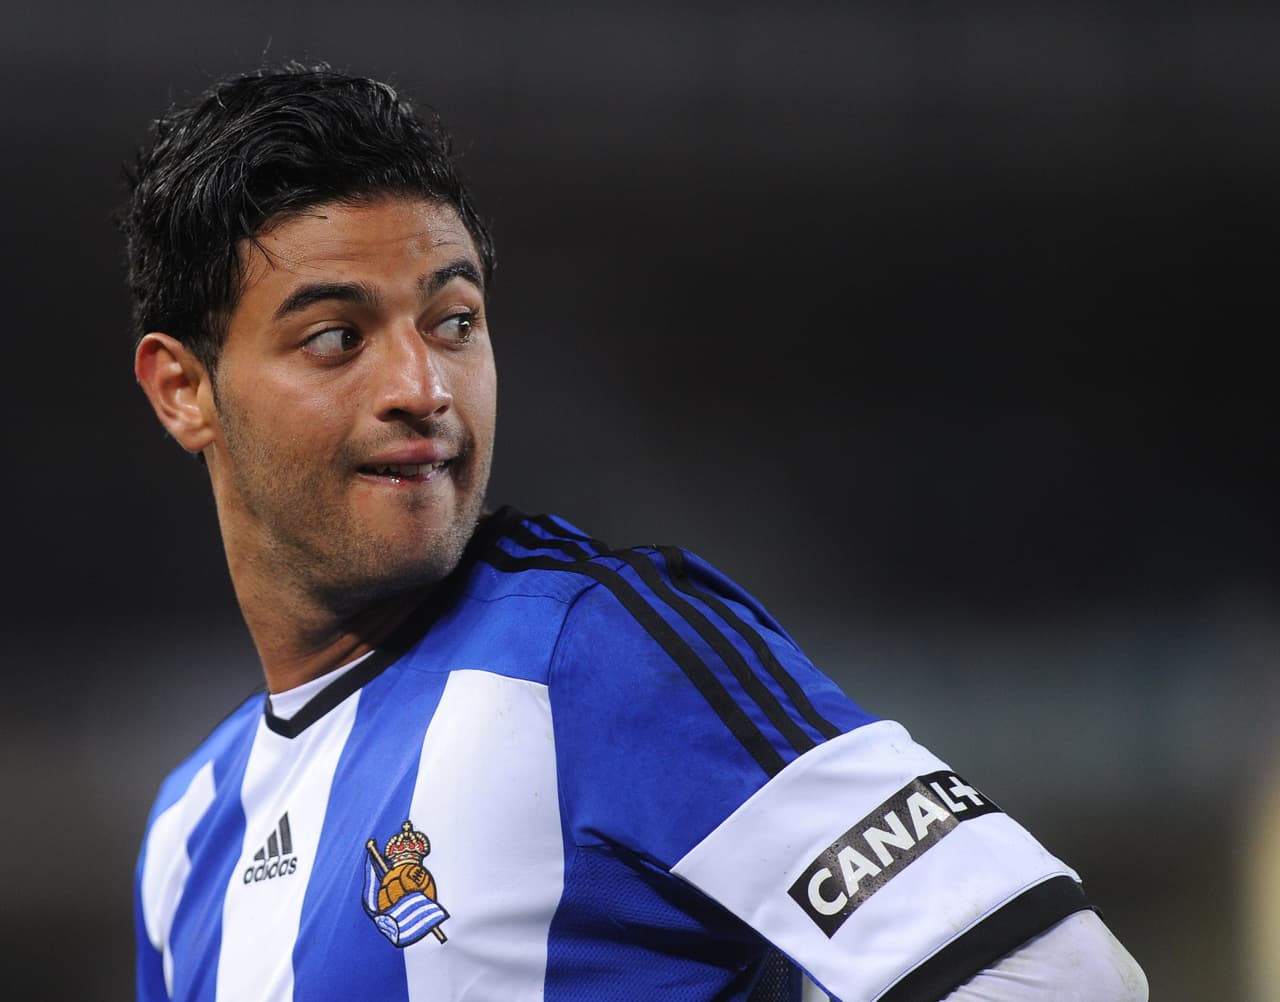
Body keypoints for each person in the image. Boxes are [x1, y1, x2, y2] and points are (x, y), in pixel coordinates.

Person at [124, 63, 1148, 1002]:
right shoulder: (184, 842)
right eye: (337, 338)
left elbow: (1059, 976)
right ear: (184, 390)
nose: (422, 388)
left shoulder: (598, 654)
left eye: (453, 322)